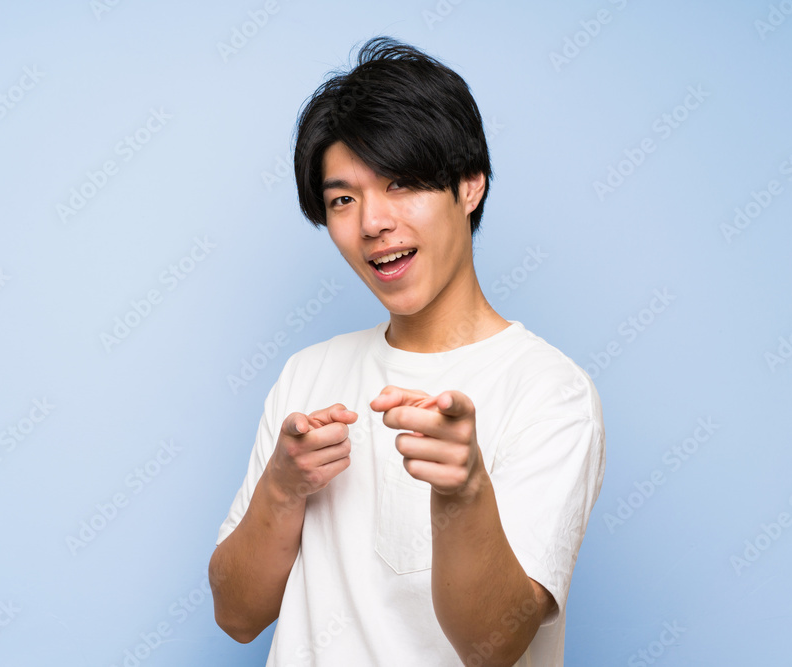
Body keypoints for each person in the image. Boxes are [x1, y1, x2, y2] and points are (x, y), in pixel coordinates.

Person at [209, 36, 606, 667]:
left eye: (401, 183)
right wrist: (282, 487)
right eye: (343, 199)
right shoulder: (308, 374)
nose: (372, 223)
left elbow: (494, 645)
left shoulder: (549, 391)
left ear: (470, 186)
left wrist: (464, 492)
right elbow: (236, 616)